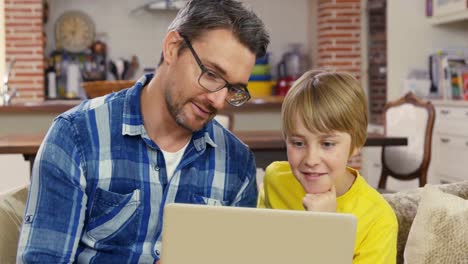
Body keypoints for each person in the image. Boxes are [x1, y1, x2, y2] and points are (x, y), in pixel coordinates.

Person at [17, 0, 270, 263]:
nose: (219, 101)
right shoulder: (76, 136)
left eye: (233, 89)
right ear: (173, 48)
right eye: (212, 74)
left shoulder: (237, 163)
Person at [257, 69, 398, 263]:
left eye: (327, 144)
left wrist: (328, 230)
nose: (311, 159)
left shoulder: (378, 219)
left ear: (356, 144)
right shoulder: (275, 180)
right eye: (298, 143)